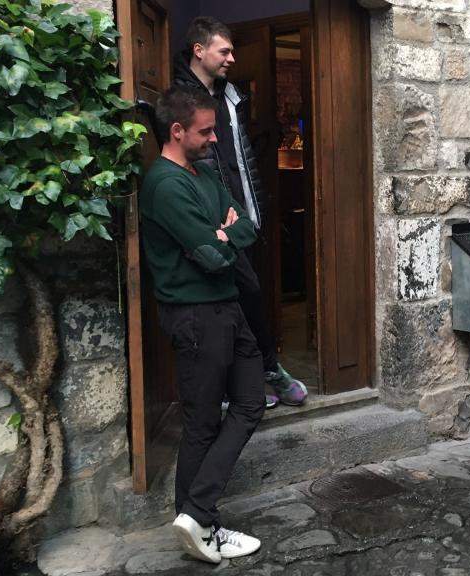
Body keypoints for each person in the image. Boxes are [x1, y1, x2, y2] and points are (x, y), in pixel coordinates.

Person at [140, 85, 265, 563]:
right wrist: (219, 233)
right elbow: (213, 258)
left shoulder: (205, 173)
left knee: (251, 402)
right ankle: (201, 524)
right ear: (176, 131)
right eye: (206, 131)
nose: (215, 139)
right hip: (194, 315)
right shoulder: (166, 184)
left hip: (227, 309)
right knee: (201, 424)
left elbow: (246, 226)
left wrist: (222, 231)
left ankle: (196, 514)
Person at [173, 15, 307, 408]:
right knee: (233, 303)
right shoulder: (180, 98)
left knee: (247, 299)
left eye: (232, 50)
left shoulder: (230, 96)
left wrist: (254, 211)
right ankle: (258, 378)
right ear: (200, 51)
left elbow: (240, 160)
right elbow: (182, 163)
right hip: (212, 224)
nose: (232, 58)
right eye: (224, 50)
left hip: (242, 218)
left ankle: (249, 383)